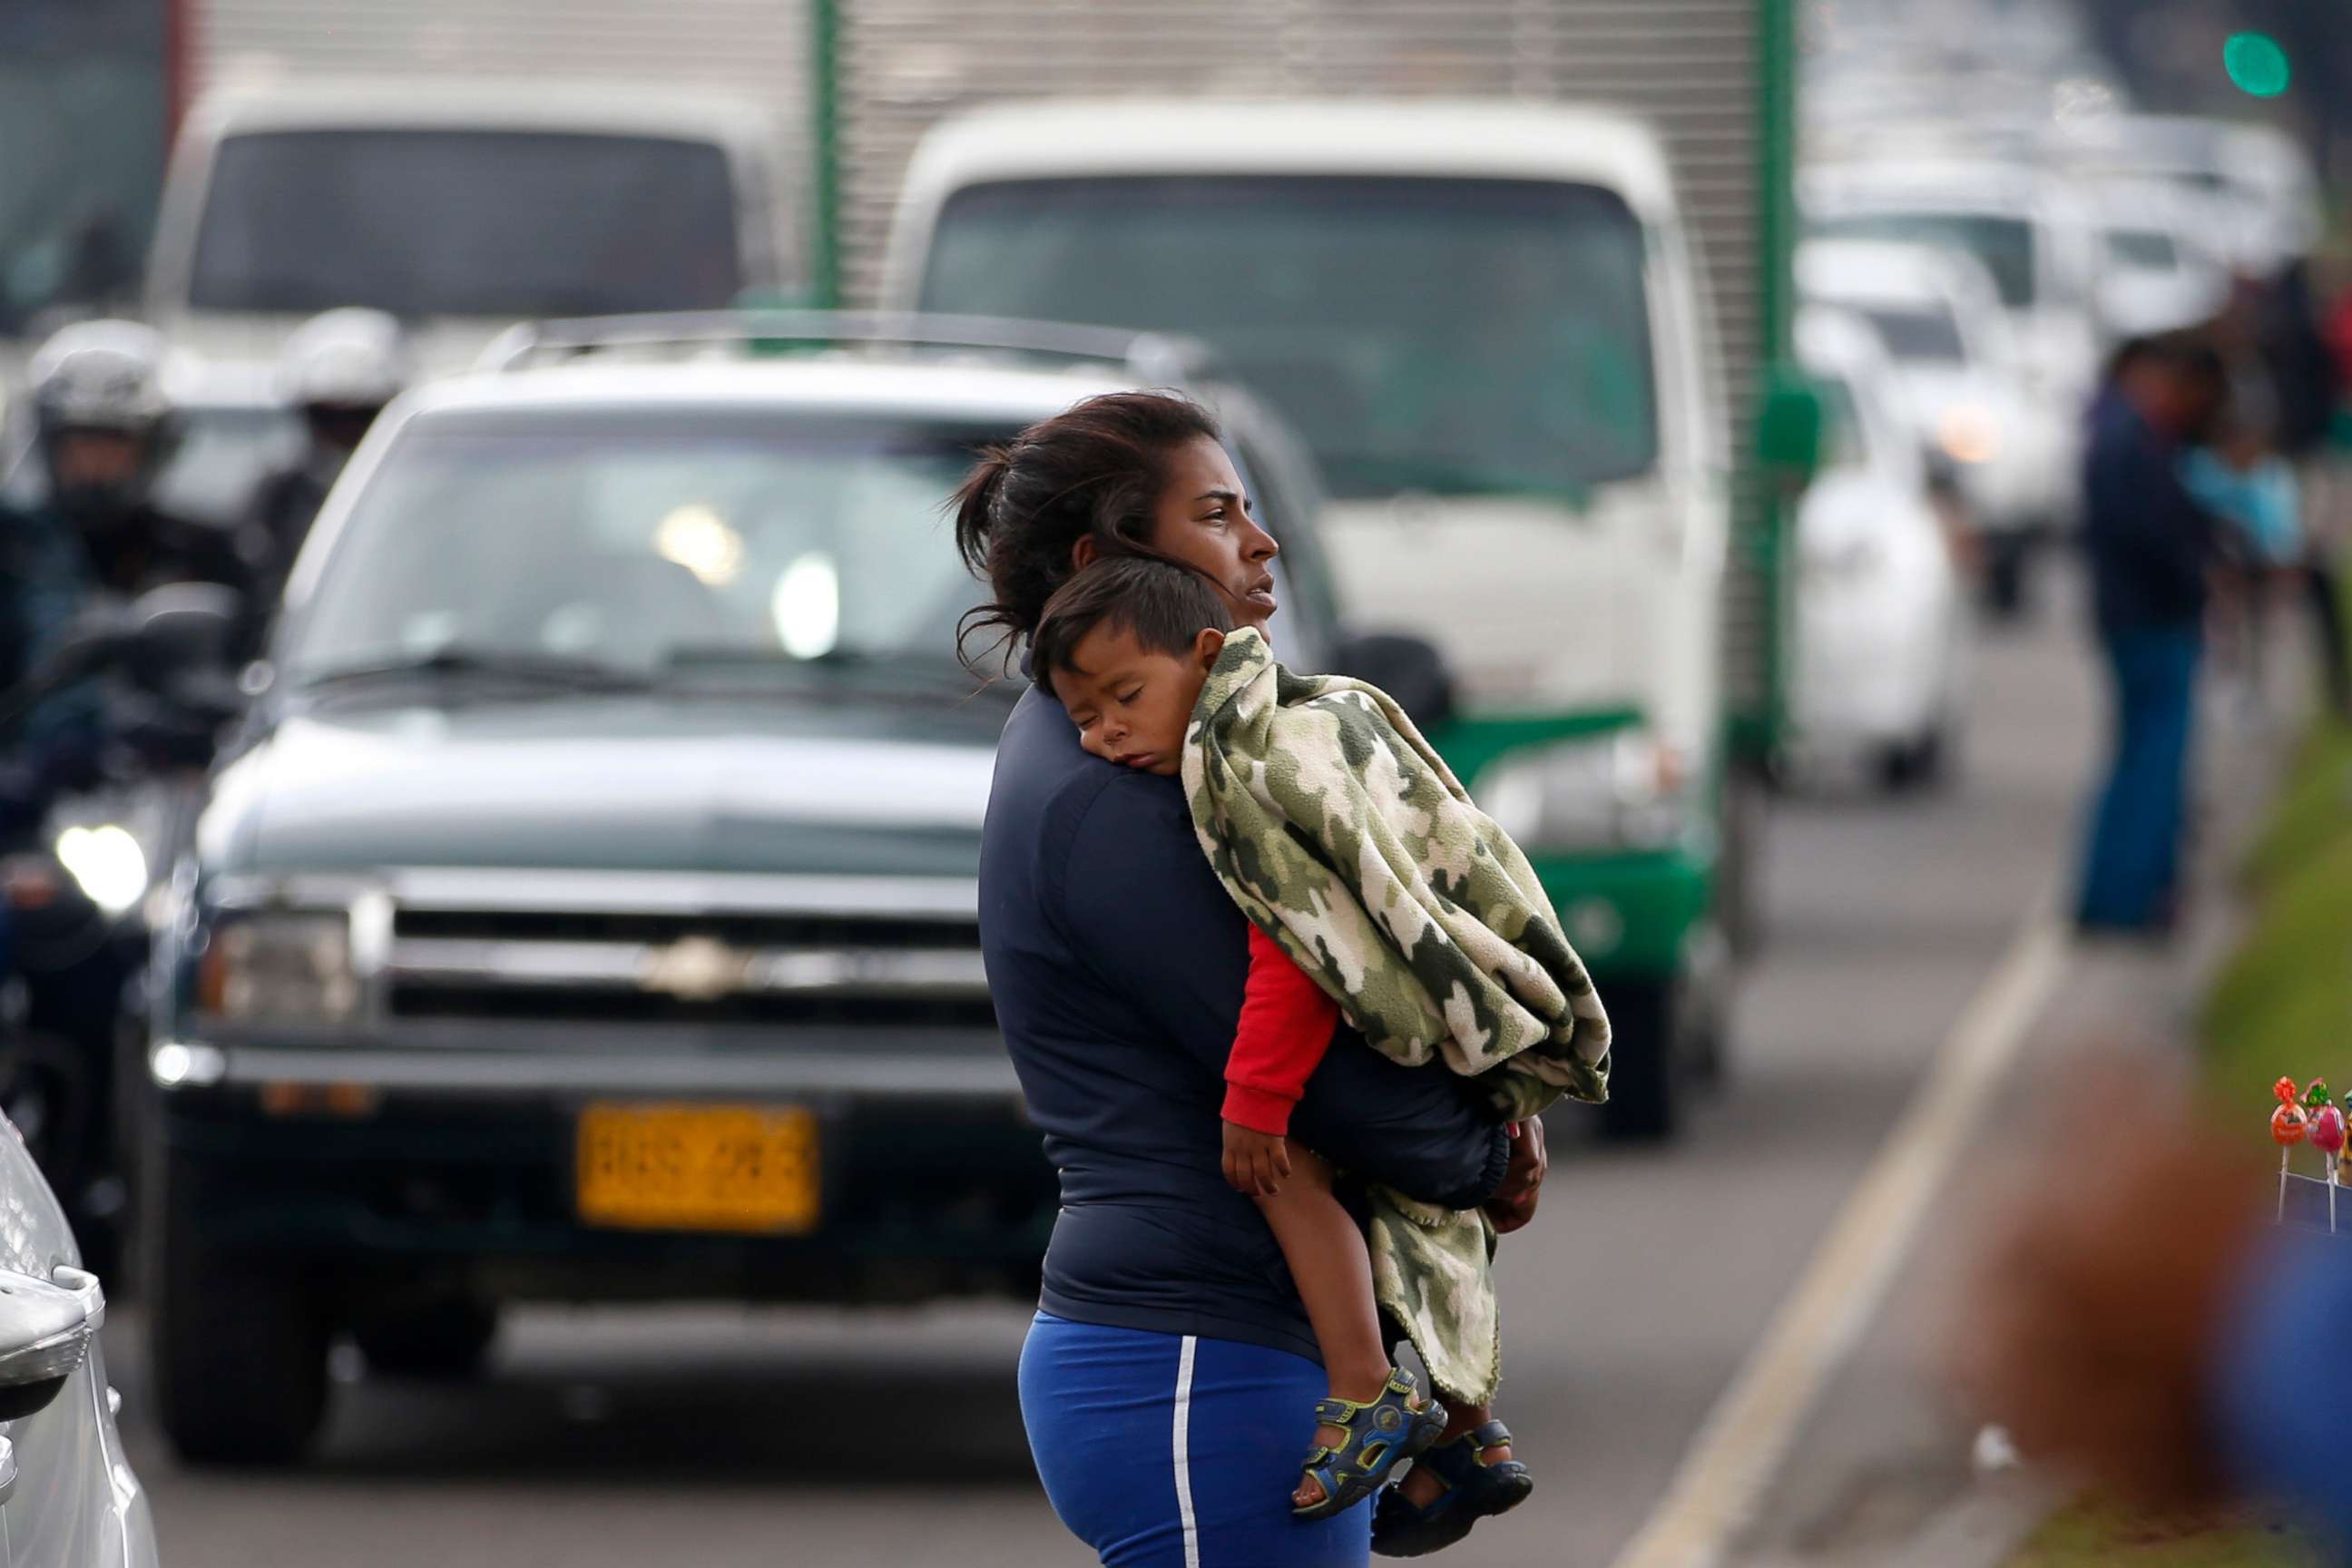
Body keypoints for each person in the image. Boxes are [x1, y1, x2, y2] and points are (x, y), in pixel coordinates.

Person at [958, 392, 1546, 1566]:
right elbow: (1314, 1063)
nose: (1260, 542)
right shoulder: (1109, 801)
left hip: (1208, 1359)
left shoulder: (1154, 766)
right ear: (1108, 561)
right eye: (1220, 514)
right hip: (1187, 1368)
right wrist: (1489, 1153)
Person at [1026, 554, 1610, 1542]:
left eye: (1125, 698)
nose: (1103, 734)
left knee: (1282, 1164)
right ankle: (1468, 1434)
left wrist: (1254, 1098)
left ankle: (1366, 1387)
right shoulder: (1298, 718)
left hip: (1383, 1016)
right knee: (1421, 1221)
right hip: (1432, 1023)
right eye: (1082, 717)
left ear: (1205, 659)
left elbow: (1298, 944)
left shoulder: (1242, 765)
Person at [2073, 334, 2230, 937]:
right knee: (2154, 765)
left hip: (2137, 618)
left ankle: (2115, 894)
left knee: (2138, 758)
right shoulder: (2130, 443)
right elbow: (2149, 535)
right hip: (2151, 621)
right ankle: (2127, 899)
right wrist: (2199, 573)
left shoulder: (2125, 437)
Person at [243, 308, 409, 599]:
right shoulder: (280, 495)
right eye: (327, 419)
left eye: (360, 419)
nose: (342, 434)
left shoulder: (415, 493)